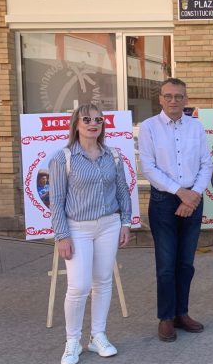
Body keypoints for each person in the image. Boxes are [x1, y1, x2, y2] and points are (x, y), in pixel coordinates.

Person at [49, 104, 132, 364]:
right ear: (76, 124)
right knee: (79, 286)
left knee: (103, 281)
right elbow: (57, 200)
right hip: (77, 228)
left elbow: (122, 191)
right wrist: (62, 235)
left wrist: (126, 223)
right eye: (87, 119)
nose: (93, 123)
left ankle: (97, 336)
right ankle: (72, 341)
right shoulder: (63, 158)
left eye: (98, 119)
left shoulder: (113, 156)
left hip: (109, 224)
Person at [138, 78, 212, 342]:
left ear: (185, 99)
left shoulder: (196, 127)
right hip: (164, 202)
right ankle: (166, 318)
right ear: (160, 98)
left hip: (193, 199)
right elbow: (148, 168)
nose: (173, 101)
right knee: (166, 265)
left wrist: (193, 196)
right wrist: (180, 193)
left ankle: (182, 313)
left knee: (186, 263)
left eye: (178, 96)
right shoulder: (148, 128)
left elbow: (206, 164)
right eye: (168, 96)